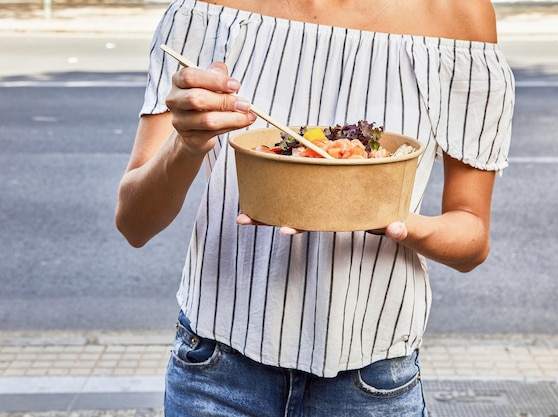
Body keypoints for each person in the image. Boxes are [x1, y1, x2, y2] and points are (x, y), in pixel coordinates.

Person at [115, 0, 515, 415]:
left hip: (371, 384)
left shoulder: (459, 16)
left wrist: (395, 221)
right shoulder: (205, 10)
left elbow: (471, 238)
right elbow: (134, 222)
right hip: (215, 376)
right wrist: (186, 143)